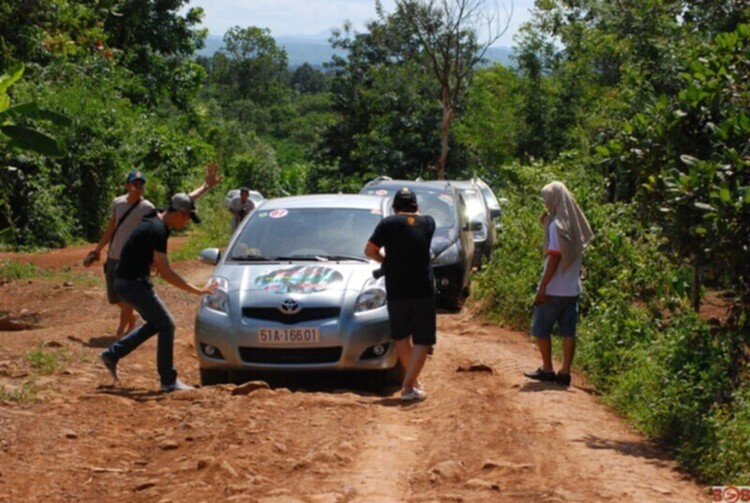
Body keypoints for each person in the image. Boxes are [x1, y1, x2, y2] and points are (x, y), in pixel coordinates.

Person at [84, 163, 223, 339]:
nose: (139, 187)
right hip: (114, 256)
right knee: (115, 298)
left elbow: (182, 202)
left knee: (128, 299)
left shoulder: (147, 208)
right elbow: (111, 228)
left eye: (142, 184)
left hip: (134, 261)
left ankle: (119, 335)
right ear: (127, 185)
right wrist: (97, 250)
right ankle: (130, 321)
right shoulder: (117, 203)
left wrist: (205, 187)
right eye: (135, 183)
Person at [99, 193, 216, 392]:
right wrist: (197, 290)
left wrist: (205, 187)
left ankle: (112, 355)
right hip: (132, 283)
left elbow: (184, 197)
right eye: (187, 217)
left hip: (126, 281)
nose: (187, 222)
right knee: (167, 324)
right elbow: (166, 272)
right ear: (179, 214)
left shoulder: (157, 218)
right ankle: (168, 381)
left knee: (157, 324)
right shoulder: (157, 230)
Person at [365, 187, 436, 401]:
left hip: (397, 289)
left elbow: (369, 250)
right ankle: (410, 384)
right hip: (423, 289)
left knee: (401, 337)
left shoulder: (387, 224)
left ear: (395, 207)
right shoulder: (428, 223)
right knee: (423, 340)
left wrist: (387, 261)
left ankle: (409, 383)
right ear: (416, 206)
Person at [523, 181, 594, 387]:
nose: (545, 203)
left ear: (554, 200)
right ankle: (565, 372)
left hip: (554, 289)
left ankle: (547, 368)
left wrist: (543, 287)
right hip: (572, 289)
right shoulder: (574, 223)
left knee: (541, 329)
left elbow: (554, 258)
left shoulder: (556, 226)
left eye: (547, 199)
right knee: (568, 332)